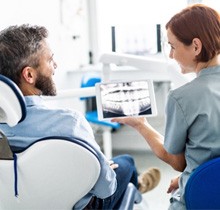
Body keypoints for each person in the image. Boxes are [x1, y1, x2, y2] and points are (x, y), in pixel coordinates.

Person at [0, 24, 161, 210]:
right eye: (50, 59)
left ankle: (138, 184)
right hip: (80, 206)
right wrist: (103, 167)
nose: (55, 65)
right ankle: (138, 185)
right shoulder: (70, 123)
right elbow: (105, 188)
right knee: (126, 163)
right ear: (29, 74)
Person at [112, 3, 220, 209]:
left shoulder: (182, 97)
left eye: (172, 46)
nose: (170, 55)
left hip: (200, 199)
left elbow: (177, 161)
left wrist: (141, 124)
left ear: (196, 47)